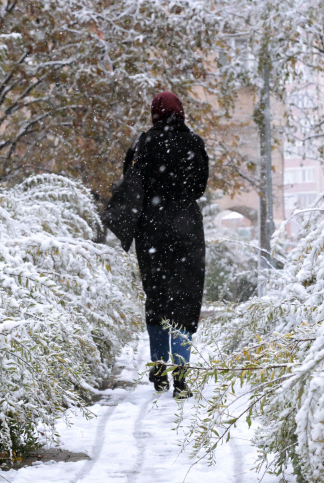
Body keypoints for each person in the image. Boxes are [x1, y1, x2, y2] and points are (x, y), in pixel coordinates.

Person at [124, 92, 209, 399]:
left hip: (152, 230)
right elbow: (200, 186)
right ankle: (181, 376)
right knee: (185, 300)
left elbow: (130, 184)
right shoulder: (194, 144)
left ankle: (159, 367)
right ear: (181, 113)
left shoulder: (143, 144)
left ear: (155, 114)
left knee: (157, 297)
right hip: (186, 228)